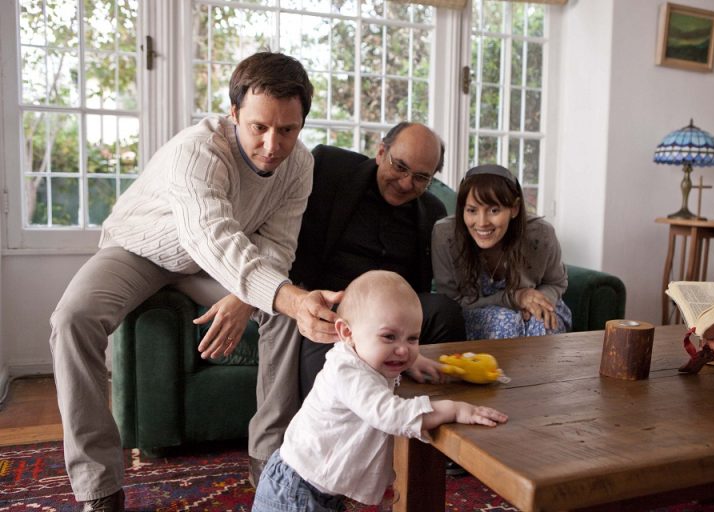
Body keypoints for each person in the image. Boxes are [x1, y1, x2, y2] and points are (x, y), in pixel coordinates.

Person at [48, 52, 340, 512]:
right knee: (71, 319)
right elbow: (210, 235)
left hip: (215, 265)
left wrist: (246, 297)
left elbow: (278, 245)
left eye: (288, 130)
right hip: (141, 249)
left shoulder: (299, 165)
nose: (272, 145)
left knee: (284, 317)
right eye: (259, 127)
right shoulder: (198, 148)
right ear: (234, 113)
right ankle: (98, 487)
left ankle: (269, 457)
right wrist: (279, 293)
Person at [245, 122, 467, 485]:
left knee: (445, 311)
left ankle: (435, 438)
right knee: (328, 370)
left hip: (391, 316)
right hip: (333, 311)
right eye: (399, 167)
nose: (406, 183)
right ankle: (321, 463)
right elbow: (279, 225)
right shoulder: (330, 169)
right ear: (381, 152)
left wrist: (402, 343)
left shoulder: (430, 210)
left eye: (421, 177)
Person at [252, 270, 508, 511]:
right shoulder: (346, 371)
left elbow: (382, 359)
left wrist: (412, 361)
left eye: (412, 338)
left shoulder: (363, 355)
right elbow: (391, 414)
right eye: (389, 337)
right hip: (294, 493)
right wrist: (453, 409)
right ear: (346, 332)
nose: (403, 349)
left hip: (314, 490)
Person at [431, 164, 572, 340]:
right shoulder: (445, 235)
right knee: (506, 322)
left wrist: (536, 302)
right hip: (474, 311)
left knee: (542, 323)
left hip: (531, 310)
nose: (482, 223)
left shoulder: (540, 234)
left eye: (494, 210)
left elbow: (556, 282)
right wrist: (515, 298)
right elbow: (451, 302)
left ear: (514, 208)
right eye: (472, 210)